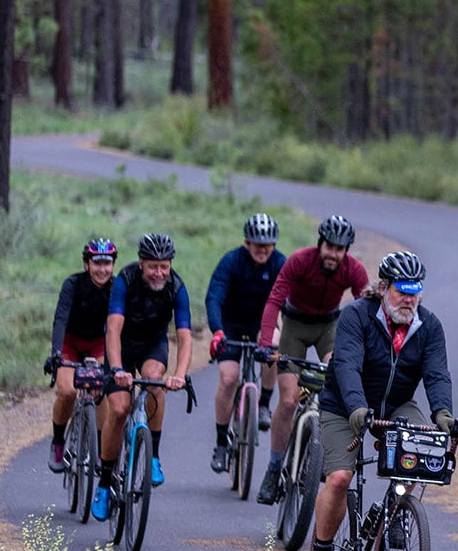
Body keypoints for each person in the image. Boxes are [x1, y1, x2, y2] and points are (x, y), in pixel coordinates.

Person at [309, 251, 456, 551]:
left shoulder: (429, 326)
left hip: (396, 404)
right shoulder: (356, 316)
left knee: (425, 449)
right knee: (341, 478)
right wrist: (357, 407)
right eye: (401, 291)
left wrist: (444, 415)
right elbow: (345, 364)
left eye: (415, 291)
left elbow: (436, 374)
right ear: (384, 287)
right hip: (344, 404)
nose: (408, 299)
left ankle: (395, 516)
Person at [256, 214, 370, 503]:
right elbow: (273, 300)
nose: (333, 254)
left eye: (340, 249)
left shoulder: (353, 270)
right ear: (320, 244)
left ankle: (321, 453)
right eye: (329, 246)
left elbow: (366, 310)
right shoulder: (299, 260)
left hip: (329, 328)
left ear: (346, 251)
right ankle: (273, 469)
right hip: (294, 325)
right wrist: (266, 342)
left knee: (339, 382)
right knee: (288, 400)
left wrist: (365, 352)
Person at [92, 233, 193, 519]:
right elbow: (112, 329)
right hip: (122, 345)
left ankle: (155, 456)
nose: (159, 272)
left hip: (152, 345)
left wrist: (180, 375)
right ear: (141, 264)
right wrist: (116, 369)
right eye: (152, 266)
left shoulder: (177, 286)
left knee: (153, 381)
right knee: (121, 409)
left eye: (164, 266)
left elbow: (184, 337)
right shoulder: (125, 280)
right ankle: (104, 483)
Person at [205, 212, 286, 472]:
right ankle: (220, 443)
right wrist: (217, 330)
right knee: (229, 379)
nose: (263, 250)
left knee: (274, 347)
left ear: (273, 245)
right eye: (257, 244)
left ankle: (263, 403)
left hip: (261, 324)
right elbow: (214, 297)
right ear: (246, 243)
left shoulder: (279, 263)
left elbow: (289, 299)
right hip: (231, 325)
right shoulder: (231, 261)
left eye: (267, 245)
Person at [43, 237, 118, 472]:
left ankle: (99, 445)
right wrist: (56, 352)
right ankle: (58, 441)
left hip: (99, 345)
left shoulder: (117, 289)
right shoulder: (73, 284)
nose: (102, 269)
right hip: (70, 344)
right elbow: (61, 318)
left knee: (102, 387)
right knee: (67, 391)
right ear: (86, 264)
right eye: (97, 263)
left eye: (107, 264)